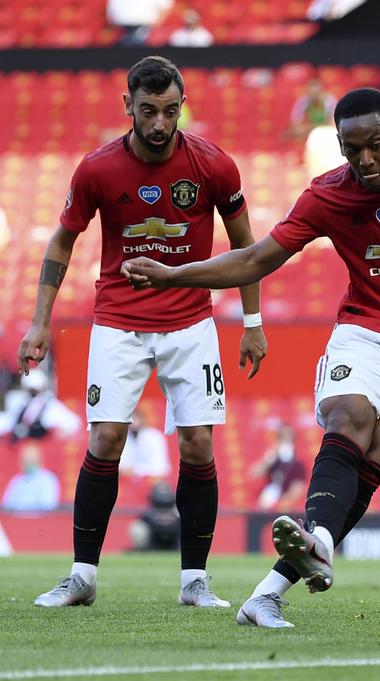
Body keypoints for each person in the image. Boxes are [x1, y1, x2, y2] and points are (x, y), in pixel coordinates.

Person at [123, 88, 380, 628]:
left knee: (379, 453)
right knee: (350, 416)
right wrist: (176, 274)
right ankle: (313, 548)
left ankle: (268, 592)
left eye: (375, 145)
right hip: (366, 328)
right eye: (351, 149)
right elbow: (255, 259)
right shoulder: (327, 195)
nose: (364, 161)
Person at [19, 56, 267, 609]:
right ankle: (81, 576)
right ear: (127, 105)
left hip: (191, 323)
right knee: (106, 439)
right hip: (118, 323)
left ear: (183, 106)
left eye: (171, 111)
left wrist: (252, 323)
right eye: (149, 111)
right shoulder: (98, 169)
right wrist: (40, 322)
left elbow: (248, 249)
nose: (160, 123)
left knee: (198, 443)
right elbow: (62, 242)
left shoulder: (213, 165)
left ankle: (194, 582)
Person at [0, 369, 82, 443]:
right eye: (29, 390)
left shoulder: (50, 406)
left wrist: (58, 432)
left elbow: (73, 423)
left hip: (43, 449)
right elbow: (9, 422)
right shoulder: (20, 403)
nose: (31, 394)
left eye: (34, 390)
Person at [254, 423, 308, 511]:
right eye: (282, 439)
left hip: (286, 506)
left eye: (289, 440)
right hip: (268, 503)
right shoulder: (272, 460)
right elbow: (255, 474)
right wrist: (270, 457)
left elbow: (297, 490)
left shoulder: (299, 465)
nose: (285, 442)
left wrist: (280, 504)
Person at [2, 444, 60, 512]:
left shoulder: (48, 479)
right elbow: (6, 504)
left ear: (39, 459)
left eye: (31, 459)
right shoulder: (17, 480)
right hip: (16, 519)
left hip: (39, 520)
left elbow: (48, 505)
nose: (28, 462)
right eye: (25, 459)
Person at [118, 409, 172, 479]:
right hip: (127, 481)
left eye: (135, 418)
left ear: (142, 419)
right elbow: (121, 465)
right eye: (130, 419)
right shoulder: (123, 438)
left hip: (152, 482)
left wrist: (136, 470)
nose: (133, 422)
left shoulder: (155, 437)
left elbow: (160, 467)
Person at [128, 481, 180, 551]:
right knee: (137, 528)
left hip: (175, 542)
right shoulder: (147, 516)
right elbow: (142, 519)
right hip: (151, 542)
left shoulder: (177, 515)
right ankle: (143, 551)